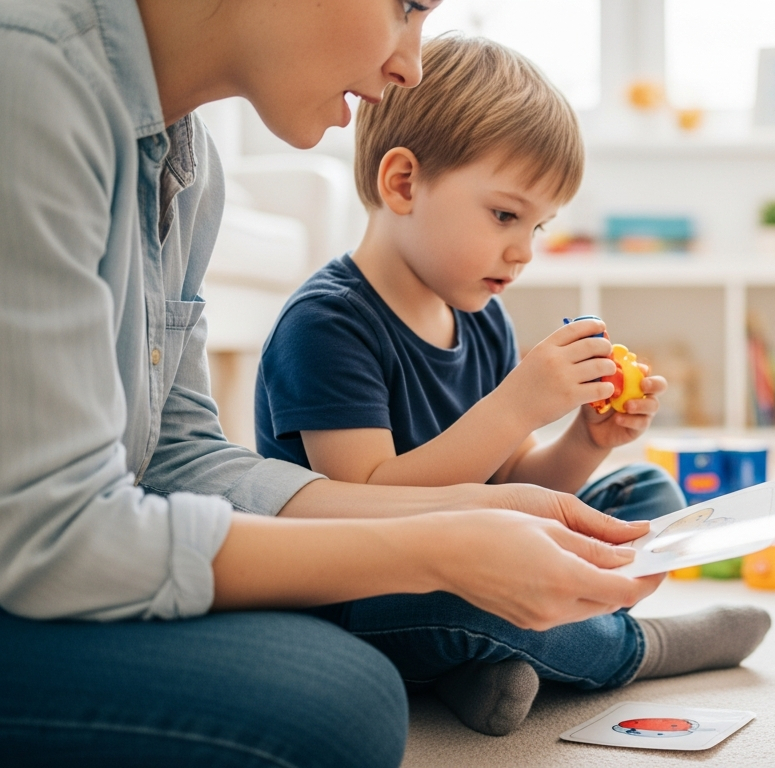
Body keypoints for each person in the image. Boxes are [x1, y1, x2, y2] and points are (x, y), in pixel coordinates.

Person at [0, 1, 669, 765]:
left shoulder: (187, 161)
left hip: (71, 556)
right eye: (407, 7)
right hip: (42, 563)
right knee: (347, 696)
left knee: (624, 505)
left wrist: (511, 490)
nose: (411, 64)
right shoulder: (34, 78)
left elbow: (174, 456)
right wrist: (441, 544)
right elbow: (54, 535)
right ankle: (629, 648)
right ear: (404, 182)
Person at [253, 35, 770, 737]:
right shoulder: (327, 324)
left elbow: (515, 480)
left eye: (540, 225)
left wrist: (585, 439)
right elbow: (365, 501)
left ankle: (488, 668)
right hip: (366, 593)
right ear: (402, 183)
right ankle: (635, 649)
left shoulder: (482, 317)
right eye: (505, 215)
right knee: (468, 607)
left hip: (479, 549)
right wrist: (518, 402)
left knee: (643, 497)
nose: (524, 250)